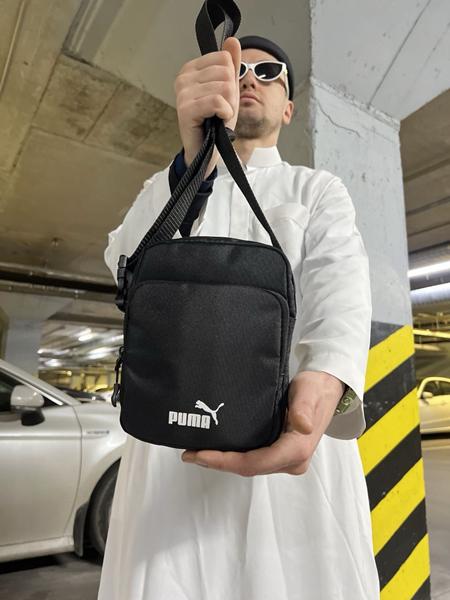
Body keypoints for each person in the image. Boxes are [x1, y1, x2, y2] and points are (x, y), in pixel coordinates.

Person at [98, 34, 380, 600]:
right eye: (238, 68)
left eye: (268, 72)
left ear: (288, 108)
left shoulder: (316, 189)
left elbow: (340, 291)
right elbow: (125, 265)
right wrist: (190, 164)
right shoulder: (167, 186)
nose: (250, 77)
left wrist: (319, 395)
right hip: (169, 457)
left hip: (289, 450)